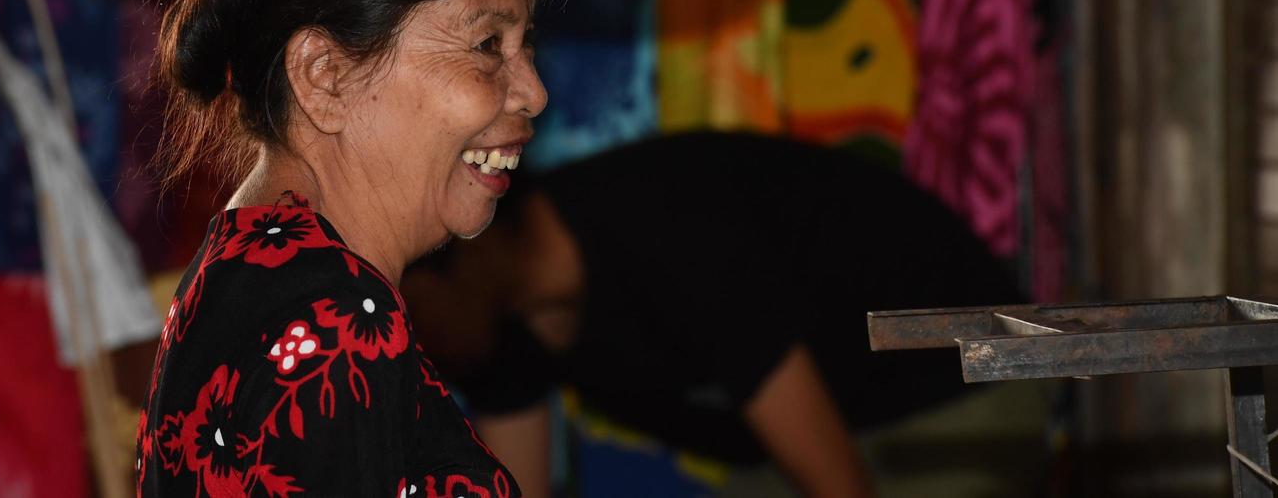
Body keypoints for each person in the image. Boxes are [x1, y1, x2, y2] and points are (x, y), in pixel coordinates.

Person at [136, 0, 553, 497]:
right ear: (324, 75)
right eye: (487, 44)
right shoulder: (338, 325)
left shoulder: (253, 271)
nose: (534, 93)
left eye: (528, 46)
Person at [402, 131, 1025, 498]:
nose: (406, 344)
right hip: (830, 434)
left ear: (452, 247)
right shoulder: (498, 329)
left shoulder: (665, 230)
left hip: (965, 382)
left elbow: (842, 487)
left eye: (403, 310)